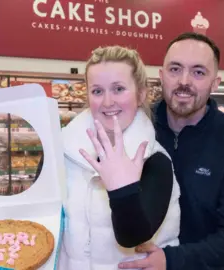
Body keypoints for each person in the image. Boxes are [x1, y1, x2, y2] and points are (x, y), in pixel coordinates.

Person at [118, 32, 224, 270]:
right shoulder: (136, 127)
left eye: (198, 72)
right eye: (175, 69)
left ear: (215, 82)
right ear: (161, 76)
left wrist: (171, 260)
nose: (184, 81)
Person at [57, 45, 181, 269]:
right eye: (97, 91)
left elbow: (133, 237)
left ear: (140, 93)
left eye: (118, 89)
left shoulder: (155, 160)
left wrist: (122, 189)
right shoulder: (62, 151)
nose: (107, 102)